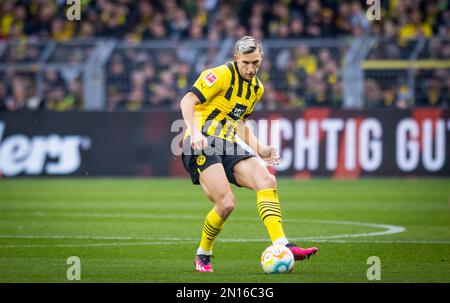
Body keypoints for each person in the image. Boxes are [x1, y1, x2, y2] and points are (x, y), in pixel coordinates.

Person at [180, 36, 318, 272]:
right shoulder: (220, 75)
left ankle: (282, 244)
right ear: (236, 59)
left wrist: (260, 148)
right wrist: (194, 133)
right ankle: (203, 254)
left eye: (255, 62)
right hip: (202, 141)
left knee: (267, 180)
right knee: (226, 204)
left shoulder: (256, 89)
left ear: (261, 58)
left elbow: (239, 123)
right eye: (246, 63)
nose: (251, 68)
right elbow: (187, 100)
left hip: (228, 142)